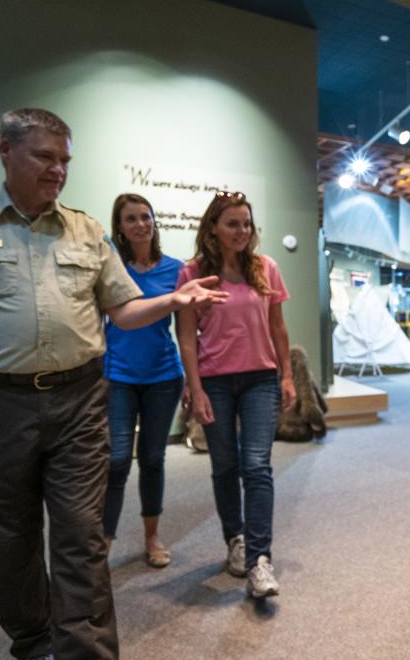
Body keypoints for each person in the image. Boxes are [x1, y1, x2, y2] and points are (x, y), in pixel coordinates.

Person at [0, 108, 226, 660]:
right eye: (45, 157)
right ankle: (33, 643)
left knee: (82, 537)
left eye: (65, 160)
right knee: (7, 537)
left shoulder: (85, 230)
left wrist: (174, 300)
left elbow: (123, 311)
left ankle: (87, 653)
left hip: (79, 400)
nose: (58, 170)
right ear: (6, 152)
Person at [177, 191, 296, 599]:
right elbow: (186, 337)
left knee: (257, 465)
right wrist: (194, 387)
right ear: (213, 227)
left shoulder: (266, 268)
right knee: (225, 466)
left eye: (247, 224)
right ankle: (236, 540)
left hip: (260, 378)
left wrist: (287, 376)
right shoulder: (193, 273)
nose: (242, 231)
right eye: (233, 223)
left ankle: (260, 559)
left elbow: (278, 326)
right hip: (214, 381)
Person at [102, 193, 184, 567]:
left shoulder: (175, 270)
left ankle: (152, 537)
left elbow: (185, 331)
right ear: (119, 226)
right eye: (131, 218)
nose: (140, 224)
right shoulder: (111, 267)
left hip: (163, 377)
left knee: (152, 458)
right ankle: (103, 542)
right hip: (118, 375)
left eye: (145, 216)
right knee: (117, 460)